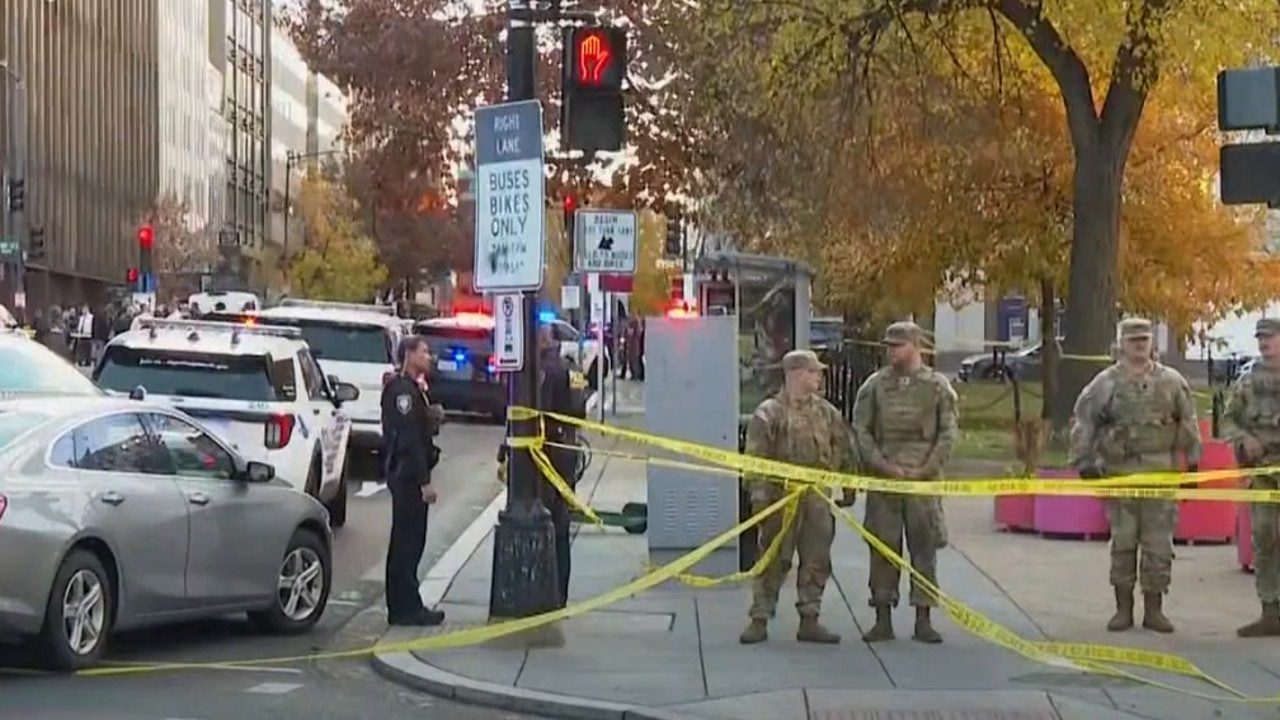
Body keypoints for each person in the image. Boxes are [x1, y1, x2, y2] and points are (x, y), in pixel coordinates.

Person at [1070, 317, 1200, 633]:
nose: (1140, 345)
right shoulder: (1105, 384)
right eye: (1133, 340)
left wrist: (1193, 462)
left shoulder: (1171, 381)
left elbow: (1188, 421)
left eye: (1144, 339)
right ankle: (1123, 609)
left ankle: (1154, 609)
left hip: (1160, 475)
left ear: (1152, 343)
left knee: (1158, 543)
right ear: (1121, 345)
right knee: (1124, 542)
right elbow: (1084, 422)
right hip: (1121, 474)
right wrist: (1084, 462)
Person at [739, 349, 856, 646]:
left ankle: (810, 618)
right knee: (774, 558)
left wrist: (849, 484)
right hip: (780, 498)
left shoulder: (827, 412)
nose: (818, 377)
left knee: (817, 558)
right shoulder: (769, 413)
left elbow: (843, 448)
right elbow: (755, 460)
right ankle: (760, 618)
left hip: (817, 497)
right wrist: (760, 501)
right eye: (813, 372)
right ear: (795, 374)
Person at [852, 321, 956, 644]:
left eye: (897, 345)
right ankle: (882, 616)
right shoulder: (874, 386)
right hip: (885, 481)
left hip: (923, 483)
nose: (891, 351)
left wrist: (926, 468)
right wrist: (882, 465)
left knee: (924, 548)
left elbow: (948, 433)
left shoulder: (938, 387)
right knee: (883, 547)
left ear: (915, 346)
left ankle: (923, 617)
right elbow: (861, 431)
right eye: (889, 345)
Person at [381, 335, 446, 626]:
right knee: (407, 542)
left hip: (408, 473)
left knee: (410, 541)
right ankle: (405, 607)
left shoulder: (414, 389)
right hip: (407, 475)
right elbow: (408, 439)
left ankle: (406, 602)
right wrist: (424, 482)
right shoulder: (402, 391)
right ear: (408, 354)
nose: (428, 356)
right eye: (423, 351)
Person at [1227, 318, 1280, 637]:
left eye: (1270, 337)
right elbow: (1228, 420)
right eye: (1260, 338)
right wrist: (1243, 439)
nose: (1264, 343)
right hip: (1262, 473)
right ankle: (1270, 611)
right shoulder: (1248, 380)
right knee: (1264, 538)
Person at [538, 323, 587, 607]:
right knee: (562, 523)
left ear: (543, 340)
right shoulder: (572, 369)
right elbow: (579, 408)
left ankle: (550, 592)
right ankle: (561, 593)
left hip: (549, 453)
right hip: (569, 449)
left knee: (549, 522)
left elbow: (537, 413)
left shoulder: (545, 371)